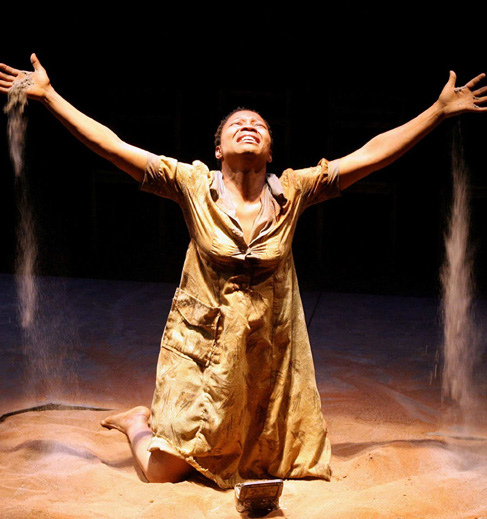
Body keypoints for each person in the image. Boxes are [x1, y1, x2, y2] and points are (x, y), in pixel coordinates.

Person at [1, 54, 486, 488]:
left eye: (259, 123)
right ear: (218, 150)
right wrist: (49, 97)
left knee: (273, 469)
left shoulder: (294, 191)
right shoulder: (190, 183)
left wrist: (436, 112)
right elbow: (112, 145)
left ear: (271, 151)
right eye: (237, 123)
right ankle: (136, 423)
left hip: (266, 361)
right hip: (202, 351)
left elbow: (369, 155)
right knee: (160, 471)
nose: (249, 125)